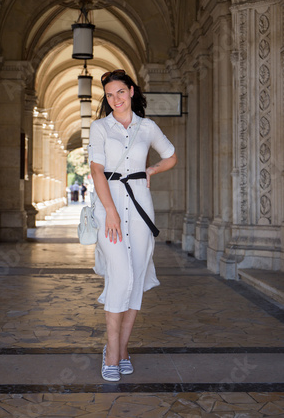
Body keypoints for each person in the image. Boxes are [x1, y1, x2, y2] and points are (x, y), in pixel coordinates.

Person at [88, 69, 177, 382]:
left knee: (136, 276)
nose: (116, 100)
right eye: (110, 95)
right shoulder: (99, 127)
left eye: (120, 93)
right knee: (120, 275)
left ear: (131, 91)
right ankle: (111, 352)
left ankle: (123, 349)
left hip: (141, 207)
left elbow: (171, 156)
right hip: (108, 206)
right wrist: (109, 210)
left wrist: (151, 168)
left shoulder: (147, 126)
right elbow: (97, 170)